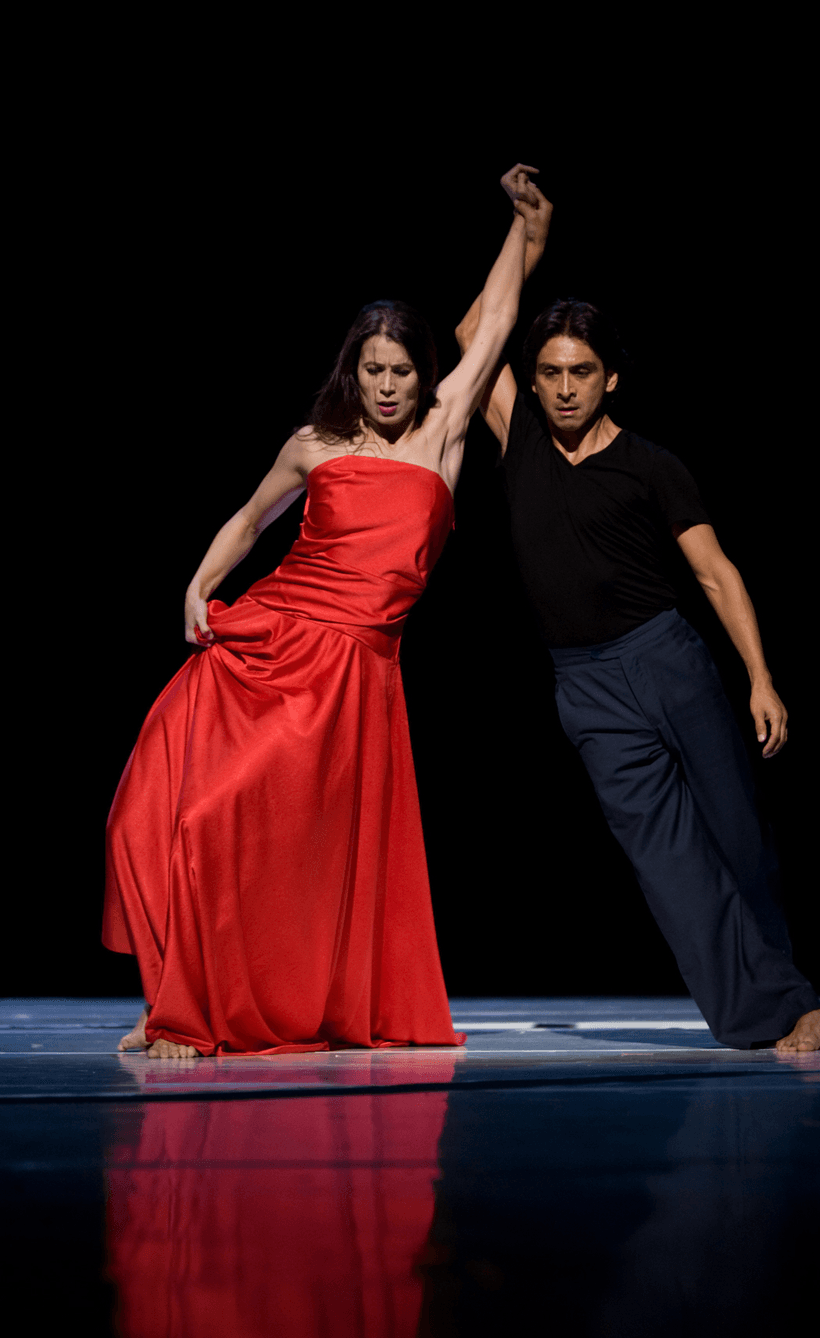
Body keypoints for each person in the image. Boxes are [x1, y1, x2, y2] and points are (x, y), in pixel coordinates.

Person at [106, 164, 542, 1058]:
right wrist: (196, 585)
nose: (388, 386)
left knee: (267, 845)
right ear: (356, 369)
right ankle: (176, 1000)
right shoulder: (316, 444)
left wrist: (526, 227)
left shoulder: (440, 440)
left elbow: (495, 325)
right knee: (165, 815)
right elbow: (247, 518)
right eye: (374, 370)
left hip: (354, 679)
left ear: (426, 377)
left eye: (404, 371)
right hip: (267, 649)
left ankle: (202, 1007)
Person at [454, 185, 820, 1053]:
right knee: (670, 871)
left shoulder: (652, 466)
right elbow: (477, 334)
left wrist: (761, 678)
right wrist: (530, 237)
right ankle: (762, 1017)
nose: (559, 388)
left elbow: (715, 571)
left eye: (578, 372)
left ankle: (792, 997)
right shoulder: (516, 437)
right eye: (547, 371)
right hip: (585, 687)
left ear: (611, 376)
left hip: (667, 660)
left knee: (739, 841)